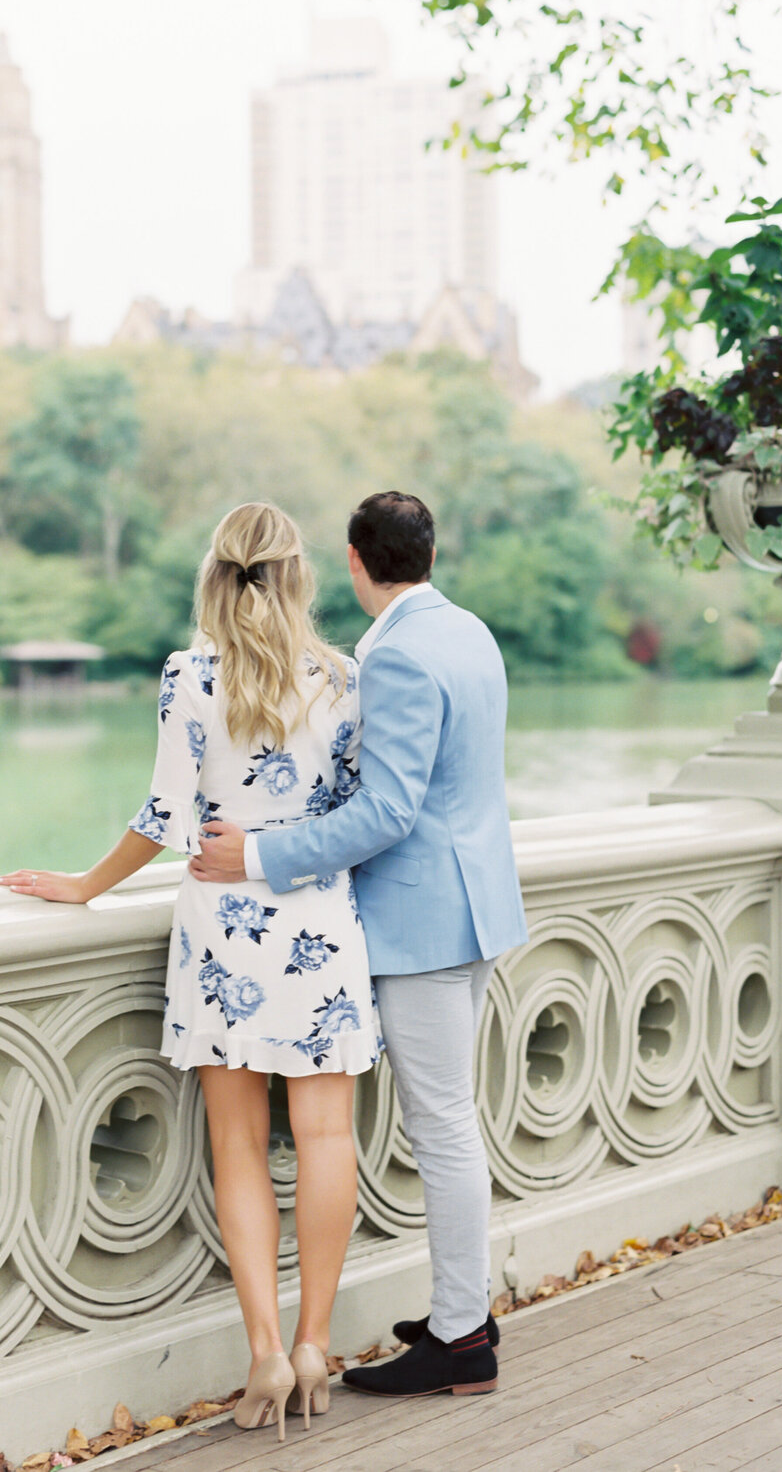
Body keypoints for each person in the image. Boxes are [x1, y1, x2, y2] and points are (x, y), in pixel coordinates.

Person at [0, 502, 380, 1442]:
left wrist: (85, 885)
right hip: (319, 924)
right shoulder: (343, 676)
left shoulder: (188, 675)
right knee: (327, 1139)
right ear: (299, 577)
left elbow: (164, 817)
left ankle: (262, 1350)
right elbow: (359, 810)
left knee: (239, 1146)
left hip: (222, 934)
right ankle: (316, 1344)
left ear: (215, 575)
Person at [192, 490, 528, 1400]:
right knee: (452, 1119)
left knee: (444, 1125)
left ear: (353, 560)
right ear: (427, 552)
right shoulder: (469, 632)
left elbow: (388, 810)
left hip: (422, 921)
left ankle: (462, 1337)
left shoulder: (400, 656)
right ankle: (462, 1314)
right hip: (476, 905)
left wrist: (257, 853)